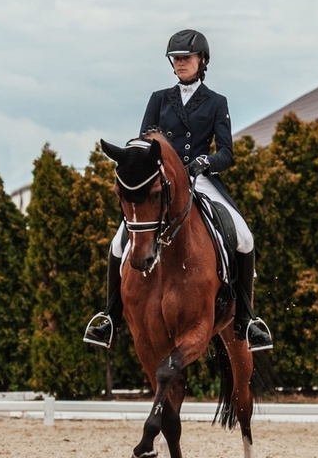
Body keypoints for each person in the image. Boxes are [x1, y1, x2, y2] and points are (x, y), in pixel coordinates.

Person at [85, 29, 273, 351]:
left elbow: (227, 153)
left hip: (199, 179)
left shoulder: (216, 102)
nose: (181, 63)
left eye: (187, 58)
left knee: (243, 235)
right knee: (119, 242)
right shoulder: (159, 99)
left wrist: (205, 162)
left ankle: (246, 318)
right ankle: (110, 317)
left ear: (202, 61)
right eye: (176, 59)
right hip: (162, 182)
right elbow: (146, 142)